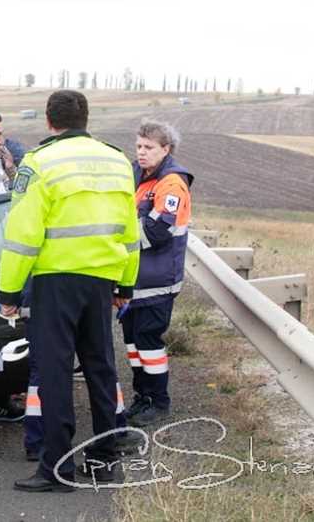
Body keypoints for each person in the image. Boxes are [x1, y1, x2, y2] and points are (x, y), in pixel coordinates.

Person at [0, 90, 140, 492]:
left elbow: (23, 235)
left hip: (55, 281)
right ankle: (104, 461)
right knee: (101, 369)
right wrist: (125, 283)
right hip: (102, 280)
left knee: (55, 374)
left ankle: (56, 469)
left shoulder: (38, 163)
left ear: (49, 120)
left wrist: (9, 293)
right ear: (86, 118)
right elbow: (130, 230)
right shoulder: (116, 160)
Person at [122, 121, 193, 427]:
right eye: (139, 146)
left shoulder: (172, 183)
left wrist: (114, 238)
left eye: (149, 147)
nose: (142, 152)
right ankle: (142, 397)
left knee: (148, 341)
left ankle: (159, 402)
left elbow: (157, 230)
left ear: (166, 149)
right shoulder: (137, 175)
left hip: (157, 281)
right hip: (134, 279)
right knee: (132, 343)